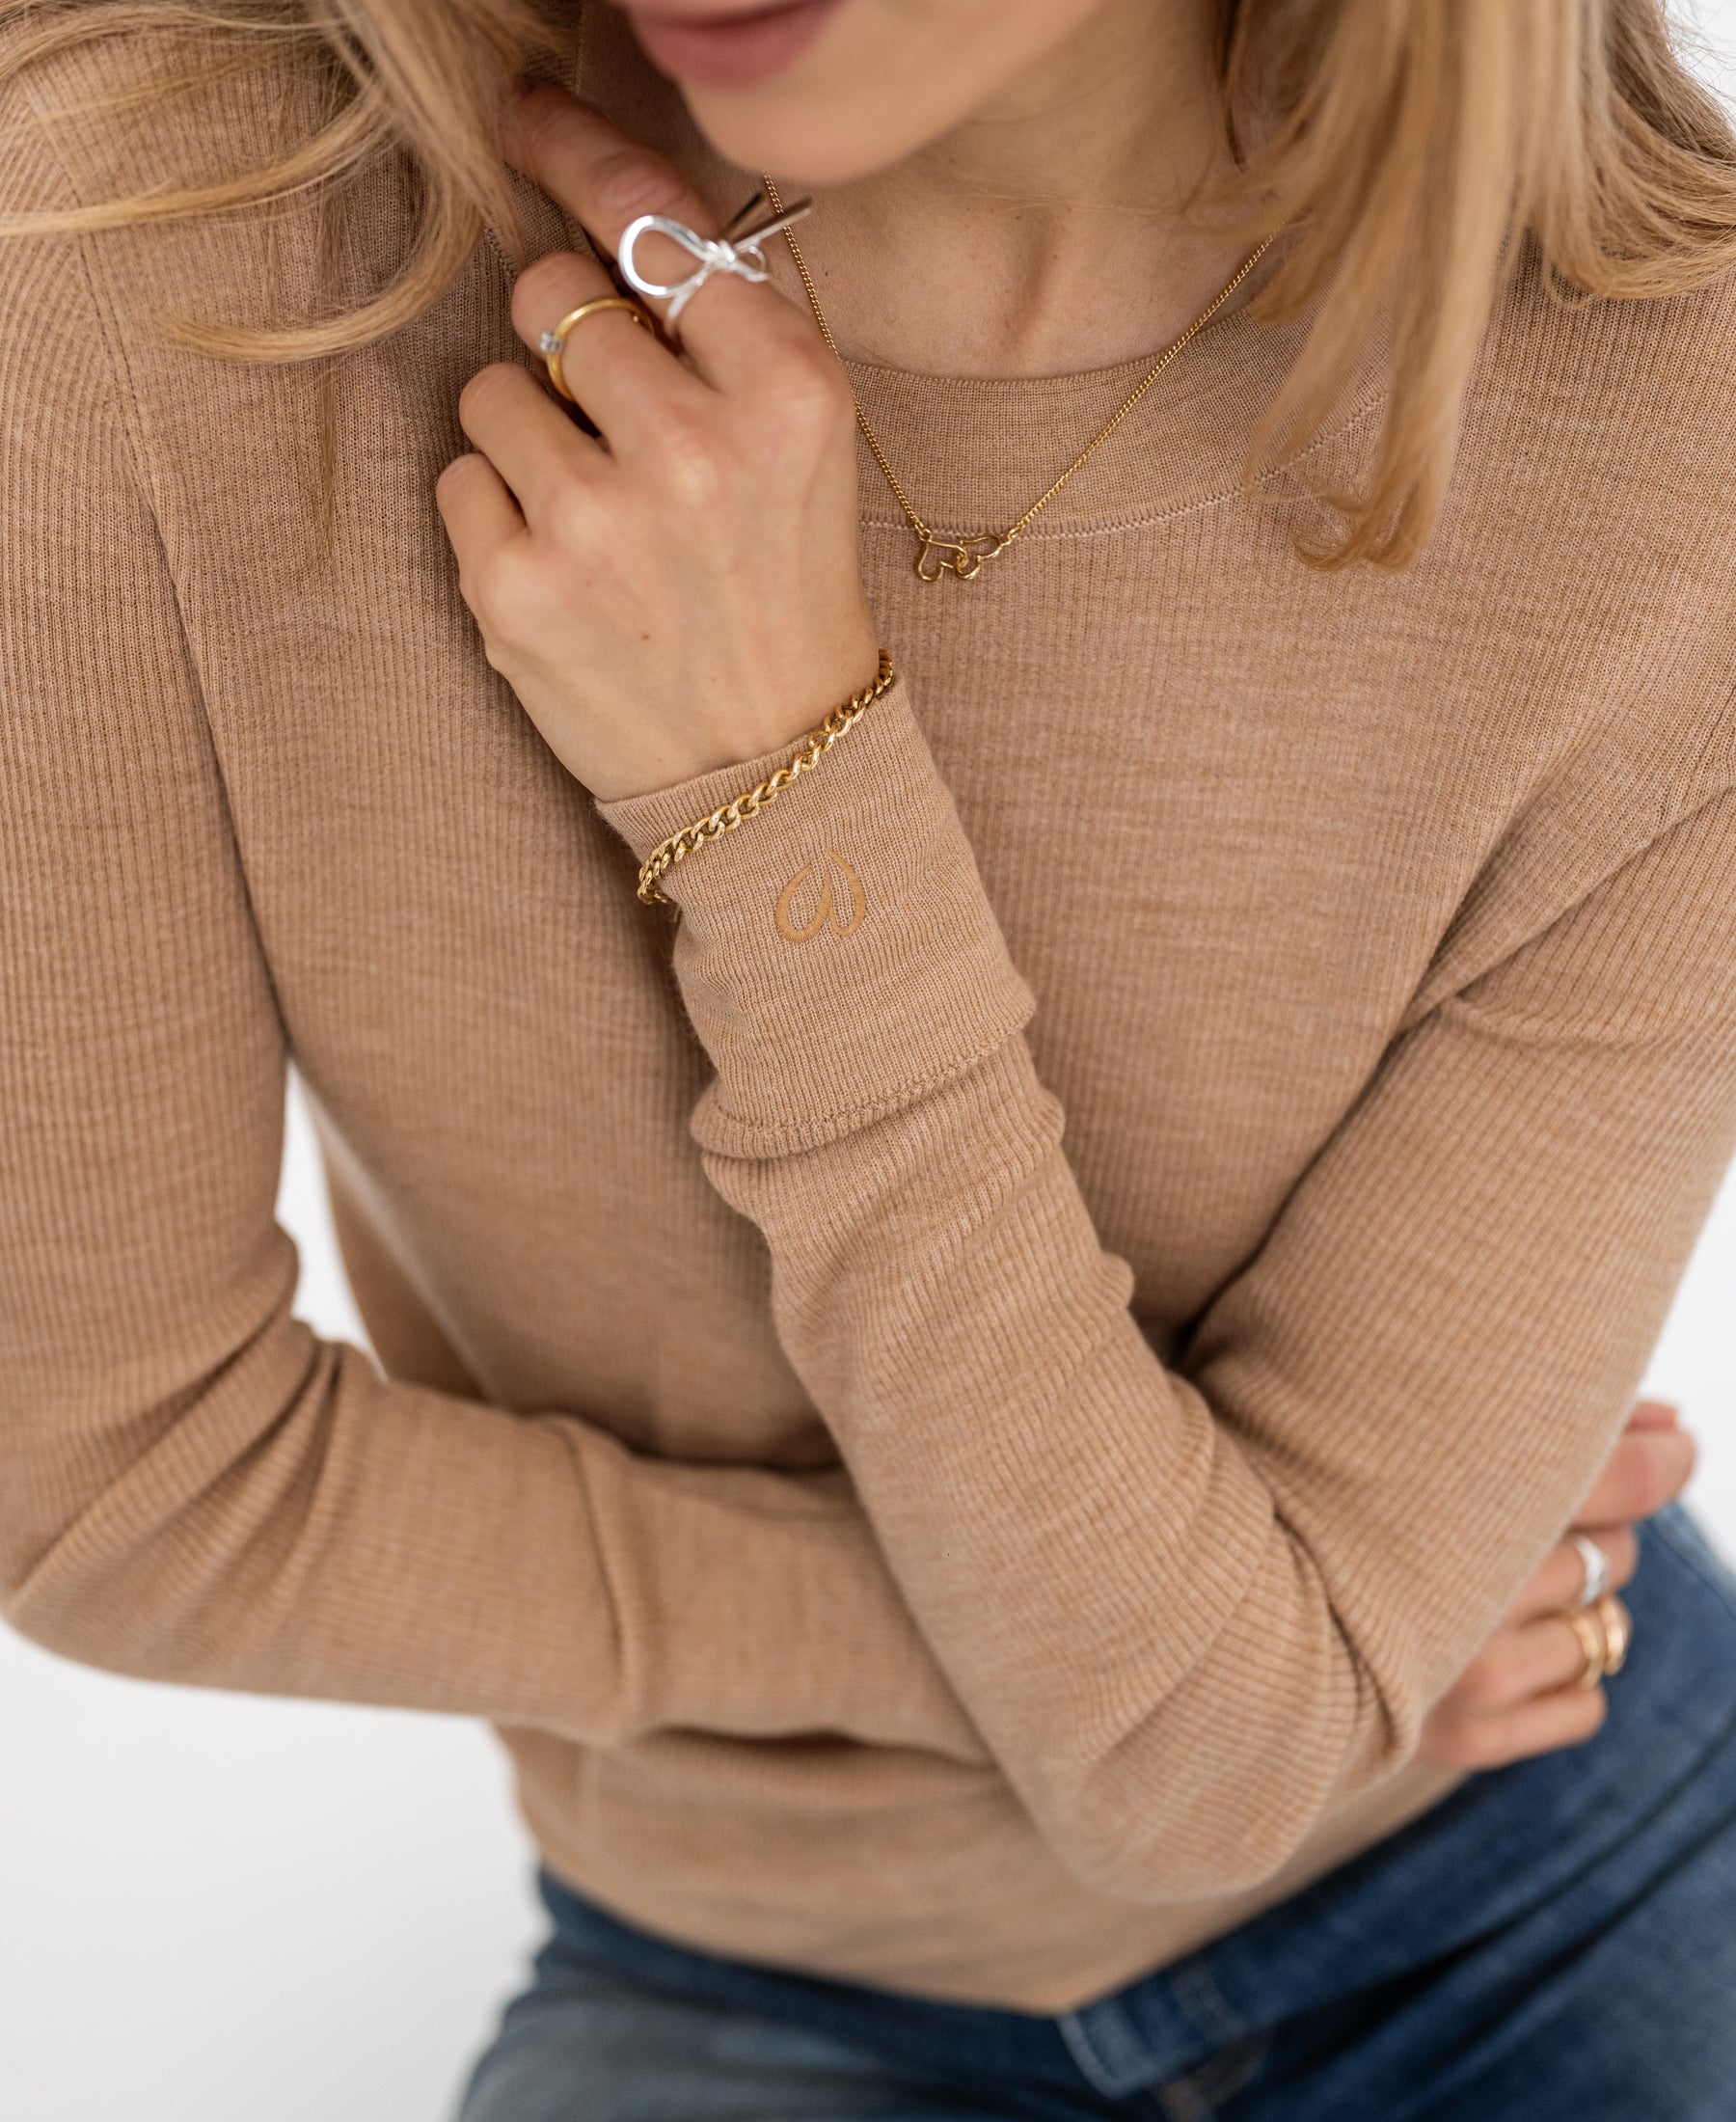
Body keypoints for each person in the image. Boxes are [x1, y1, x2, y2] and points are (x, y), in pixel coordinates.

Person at [3, 0, 1734, 2114]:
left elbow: (1219, 1755)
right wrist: (1249, 1657)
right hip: (750, 1964)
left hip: (1551, 1852)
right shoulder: (157, 239)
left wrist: (773, 786)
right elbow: (124, 1479)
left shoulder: (1676, 430)